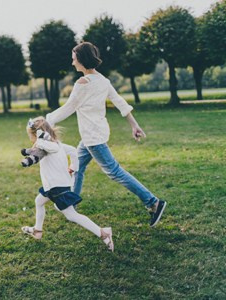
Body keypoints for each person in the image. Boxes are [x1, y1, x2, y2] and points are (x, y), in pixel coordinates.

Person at [46, 42, 166, 227]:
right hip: (93, 135)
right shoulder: (102, 80)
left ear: (81, 60)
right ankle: (71, 203)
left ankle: (153, 203)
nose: (72, 63)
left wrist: (47, 120)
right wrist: (134, 125)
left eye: (74, 59)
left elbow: (69, 107)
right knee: (77, 167)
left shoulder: (82, 83)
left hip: (93, 138)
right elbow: (119, 101)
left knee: (114, 172)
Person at [20, 117, 114, 251]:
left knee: (71, 215)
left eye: (31, 136)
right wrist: (73, 167)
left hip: (57, 186)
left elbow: (47, 145)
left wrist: (39, 142)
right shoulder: (58, 145)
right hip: (53, 186)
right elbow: (73, 151)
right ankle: (37, 230)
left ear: (38, 134)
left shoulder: (48, 145)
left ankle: (103, 233)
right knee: (39, 202)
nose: (31, 139)